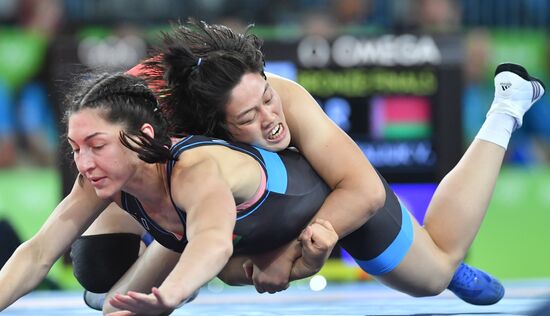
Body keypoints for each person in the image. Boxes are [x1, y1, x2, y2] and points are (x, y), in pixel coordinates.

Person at [121, 19, 545, 309]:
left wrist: (292, 254)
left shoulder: (287, 98)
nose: (270, 119)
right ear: (217, 127)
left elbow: (364, 190)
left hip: (331, 194)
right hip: (254, 211)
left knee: (433, 273)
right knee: (99, 264)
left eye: (267, 98)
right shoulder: (185, 150)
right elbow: (224, 259)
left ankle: (508, 105)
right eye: (249, 117)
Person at [0, 72, 341, 314]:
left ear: (143, 137)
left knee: (265, 268)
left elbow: (213, 242)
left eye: (96, 145)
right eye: (76, 148)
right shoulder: (99, 175)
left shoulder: (192, 171)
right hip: (211, 232)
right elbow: (38, 253)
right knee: (115, 309)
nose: (84, 163)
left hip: (312, 208)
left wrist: (171, 293)